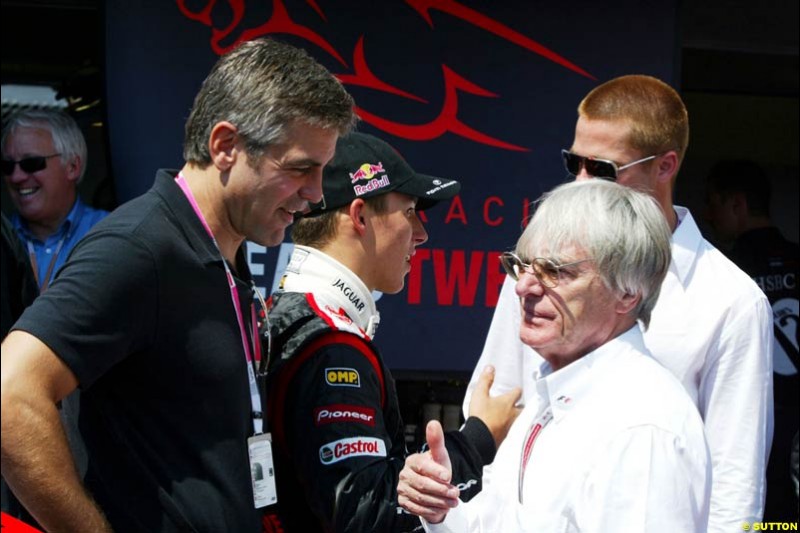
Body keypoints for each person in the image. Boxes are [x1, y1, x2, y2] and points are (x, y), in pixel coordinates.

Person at [0, 38, 356, 533]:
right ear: (226, 146)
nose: (316, 194)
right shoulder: (139, 247)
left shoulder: (222, 251)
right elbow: (10, 394)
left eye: (322, 171)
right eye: (300, 169)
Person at [462, 75, 773, 531]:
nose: (582, 181)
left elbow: (734, 486)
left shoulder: (730, 300)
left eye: (603, 168)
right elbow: (496, 401)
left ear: (665, 166)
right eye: (574, 163)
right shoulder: (537, 268)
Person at [398, 179, 711, 532]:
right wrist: (440, 510)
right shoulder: (551, 397)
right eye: (522, 265)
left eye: (555, 271)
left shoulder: (642, 427)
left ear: (628, 294)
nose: (523, 286)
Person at [263, 132, 522, 532]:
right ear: (360, 216)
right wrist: (477, 440)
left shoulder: (284, 311)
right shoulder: (332, 347)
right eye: (411, 211)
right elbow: (368, 518)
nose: (422, 233)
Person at [705, 159, 799, 522]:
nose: (707, 216)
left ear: (737, 205)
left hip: (749, 428)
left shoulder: (720, 272)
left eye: (712, 204)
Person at [1, 109, 109, 292]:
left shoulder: (110, 232)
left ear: (73, 167)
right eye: (7, 166)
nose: (16, 177)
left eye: (31, 163)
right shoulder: (3, 241)